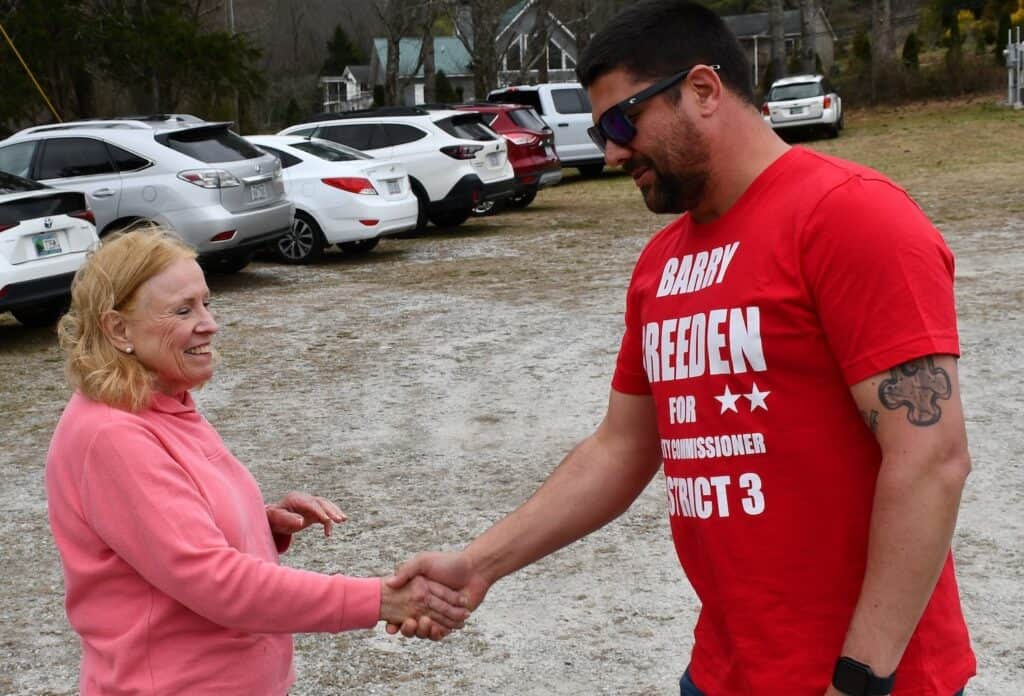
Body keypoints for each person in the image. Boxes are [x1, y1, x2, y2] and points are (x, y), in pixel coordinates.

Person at [385, 2, 975, 695]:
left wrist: (860, 681)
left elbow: (930, 458)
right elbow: (622, 447)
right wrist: (479, 563)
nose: (608, 153)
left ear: (702, 90)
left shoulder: (849, 216)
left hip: (863, 677)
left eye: (619, 122)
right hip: (725, 670)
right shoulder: (662, 263)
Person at [45, 229, 468, 695]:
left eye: (205, 303)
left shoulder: (161, 399)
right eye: (183, 310)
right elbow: (214, 581)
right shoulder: (113, 435)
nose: (209, 324)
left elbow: (163, 538)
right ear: (118, 329)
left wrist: (260, 524)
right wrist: (381, 599)